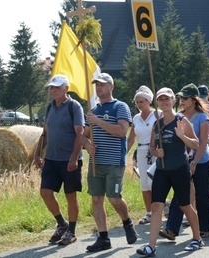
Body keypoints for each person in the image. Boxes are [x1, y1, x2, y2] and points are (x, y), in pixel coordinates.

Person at [136, 87, 203, 256]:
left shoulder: (181, 120)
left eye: (167, 99)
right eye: (161, 100)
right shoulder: (157, 124)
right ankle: (151, 246)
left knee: (185, 205)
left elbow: (196, 144)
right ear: (157, 103)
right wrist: (156, 152)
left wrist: (182, 136)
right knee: (156, 205)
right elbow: (152, 147)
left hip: (179, 169)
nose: (164, 103)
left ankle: (197, 238)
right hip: (162, 170)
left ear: (173, 101)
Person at [82, 73, 138, 252]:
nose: (99, 88)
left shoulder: (120, 107)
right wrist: (87, 145)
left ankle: (127, 223)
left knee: (114, 198)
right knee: (97, 199)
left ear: (111, 87)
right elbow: (83, 136)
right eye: (97, 85)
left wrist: (98, 122)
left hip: (114, 161)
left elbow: (122, 131)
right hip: (96, 162)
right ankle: (103, 237)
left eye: (103, 85)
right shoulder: (93, 111)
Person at [159, 83, 209, 241]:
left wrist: (195, 163)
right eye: (180, 98)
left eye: (185, 98)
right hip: (183, 162)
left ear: (194, 99)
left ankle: (205, 228)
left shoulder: (202, 118)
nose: (182, 101)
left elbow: (203, 143)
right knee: (180, 195)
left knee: (202, 194)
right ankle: (171, 229)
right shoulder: (178, 116)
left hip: (201, 161)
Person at [33, 74, 84, 245]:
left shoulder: (74, 107)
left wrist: (74, 158)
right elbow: (45, 133)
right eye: (51, 87)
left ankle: (72, 231)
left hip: (69, 160)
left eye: (56, 87)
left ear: (66, 88)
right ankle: (62, 224)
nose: (53, 90)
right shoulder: (49, 108)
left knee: (71, 197)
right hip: (52, 159)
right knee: (45, 193)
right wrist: (37, 153)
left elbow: (80, 133)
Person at [127, 85, 160, 225]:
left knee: (155, 182)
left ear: (149, 101)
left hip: (155, 151)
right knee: (144, 184)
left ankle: (160, 208)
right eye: (137, 102)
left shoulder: (157, 115)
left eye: (142, 101)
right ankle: (149, 212)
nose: (140, 105)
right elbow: (131, 138)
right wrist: (124, 153)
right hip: (141, 152)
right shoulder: (136, 118)